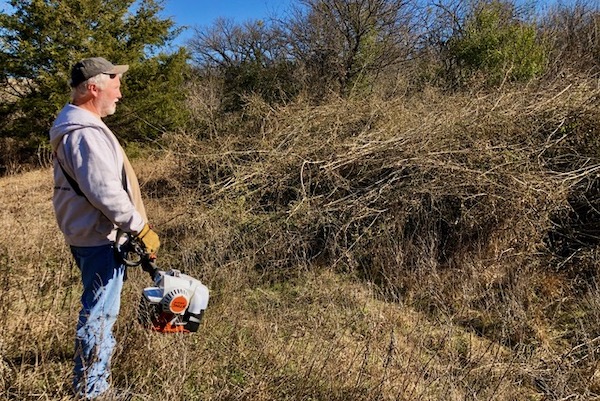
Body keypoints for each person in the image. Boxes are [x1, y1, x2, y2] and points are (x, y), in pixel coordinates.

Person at [49, 57, 160, 400]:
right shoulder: (84, 134)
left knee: (101, 311)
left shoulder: (82, 127)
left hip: (93, 235)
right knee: (99, 316)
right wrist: (140, 228)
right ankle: (92, 392)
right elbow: (104, 191)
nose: (120, 94)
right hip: (99, 239)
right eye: (116, 85)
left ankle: (93, 385)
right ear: (94, 88)